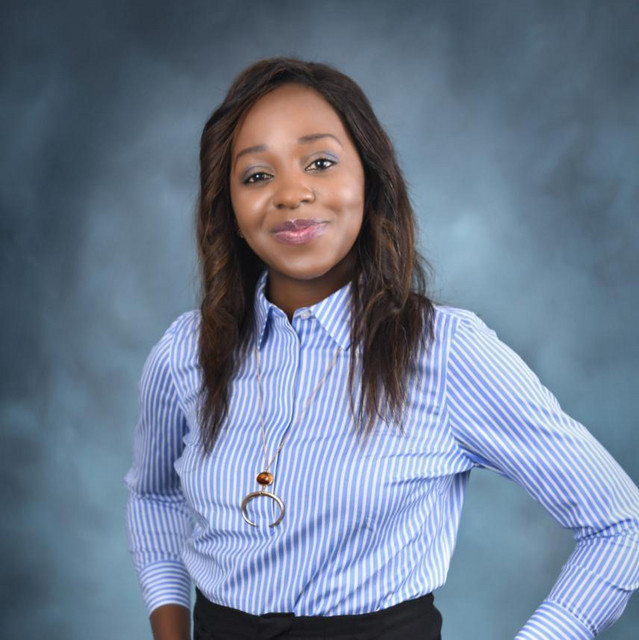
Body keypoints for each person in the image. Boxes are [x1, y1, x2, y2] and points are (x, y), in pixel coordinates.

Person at [124, 56, 639, 640]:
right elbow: (153, 496)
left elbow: (619, 524)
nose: (291, 193)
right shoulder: (185, 352)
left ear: (371, 180)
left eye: (320, 163)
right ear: (230, 209)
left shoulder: (447, 351)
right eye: (257, 175)